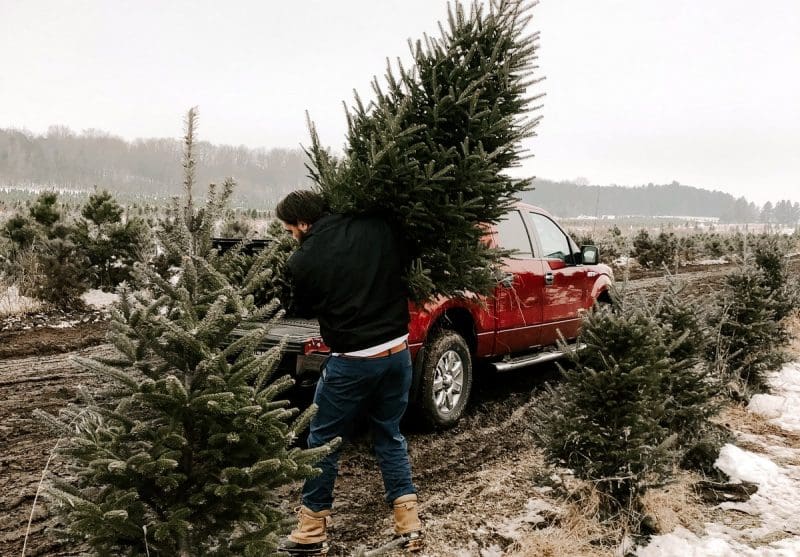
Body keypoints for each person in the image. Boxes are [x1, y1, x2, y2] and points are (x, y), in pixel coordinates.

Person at [275, 190, 423, 555]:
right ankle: (410, 525)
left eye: (291, 229)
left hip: (353, 362)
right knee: (389, 434)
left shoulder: (303, 260)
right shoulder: (377, 225)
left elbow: (303, 307)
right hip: (398, 353)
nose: (292, 236)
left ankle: (310, 532)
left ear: (304, 223)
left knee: (323, 442)